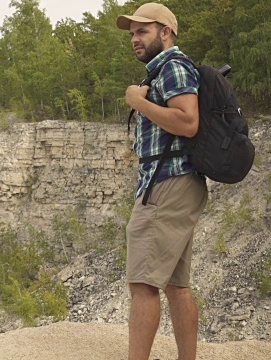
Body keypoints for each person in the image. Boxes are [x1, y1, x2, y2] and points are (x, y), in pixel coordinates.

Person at [116, 3, 208, 360]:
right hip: (176, 181)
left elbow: (188, 122)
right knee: (176, 285)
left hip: (168, 182)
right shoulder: (162, 71)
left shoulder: (173, 68)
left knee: (142, 284)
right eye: (132, 34)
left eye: (143, 31)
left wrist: (138, 102)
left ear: (165, 32)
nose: (135, 39)